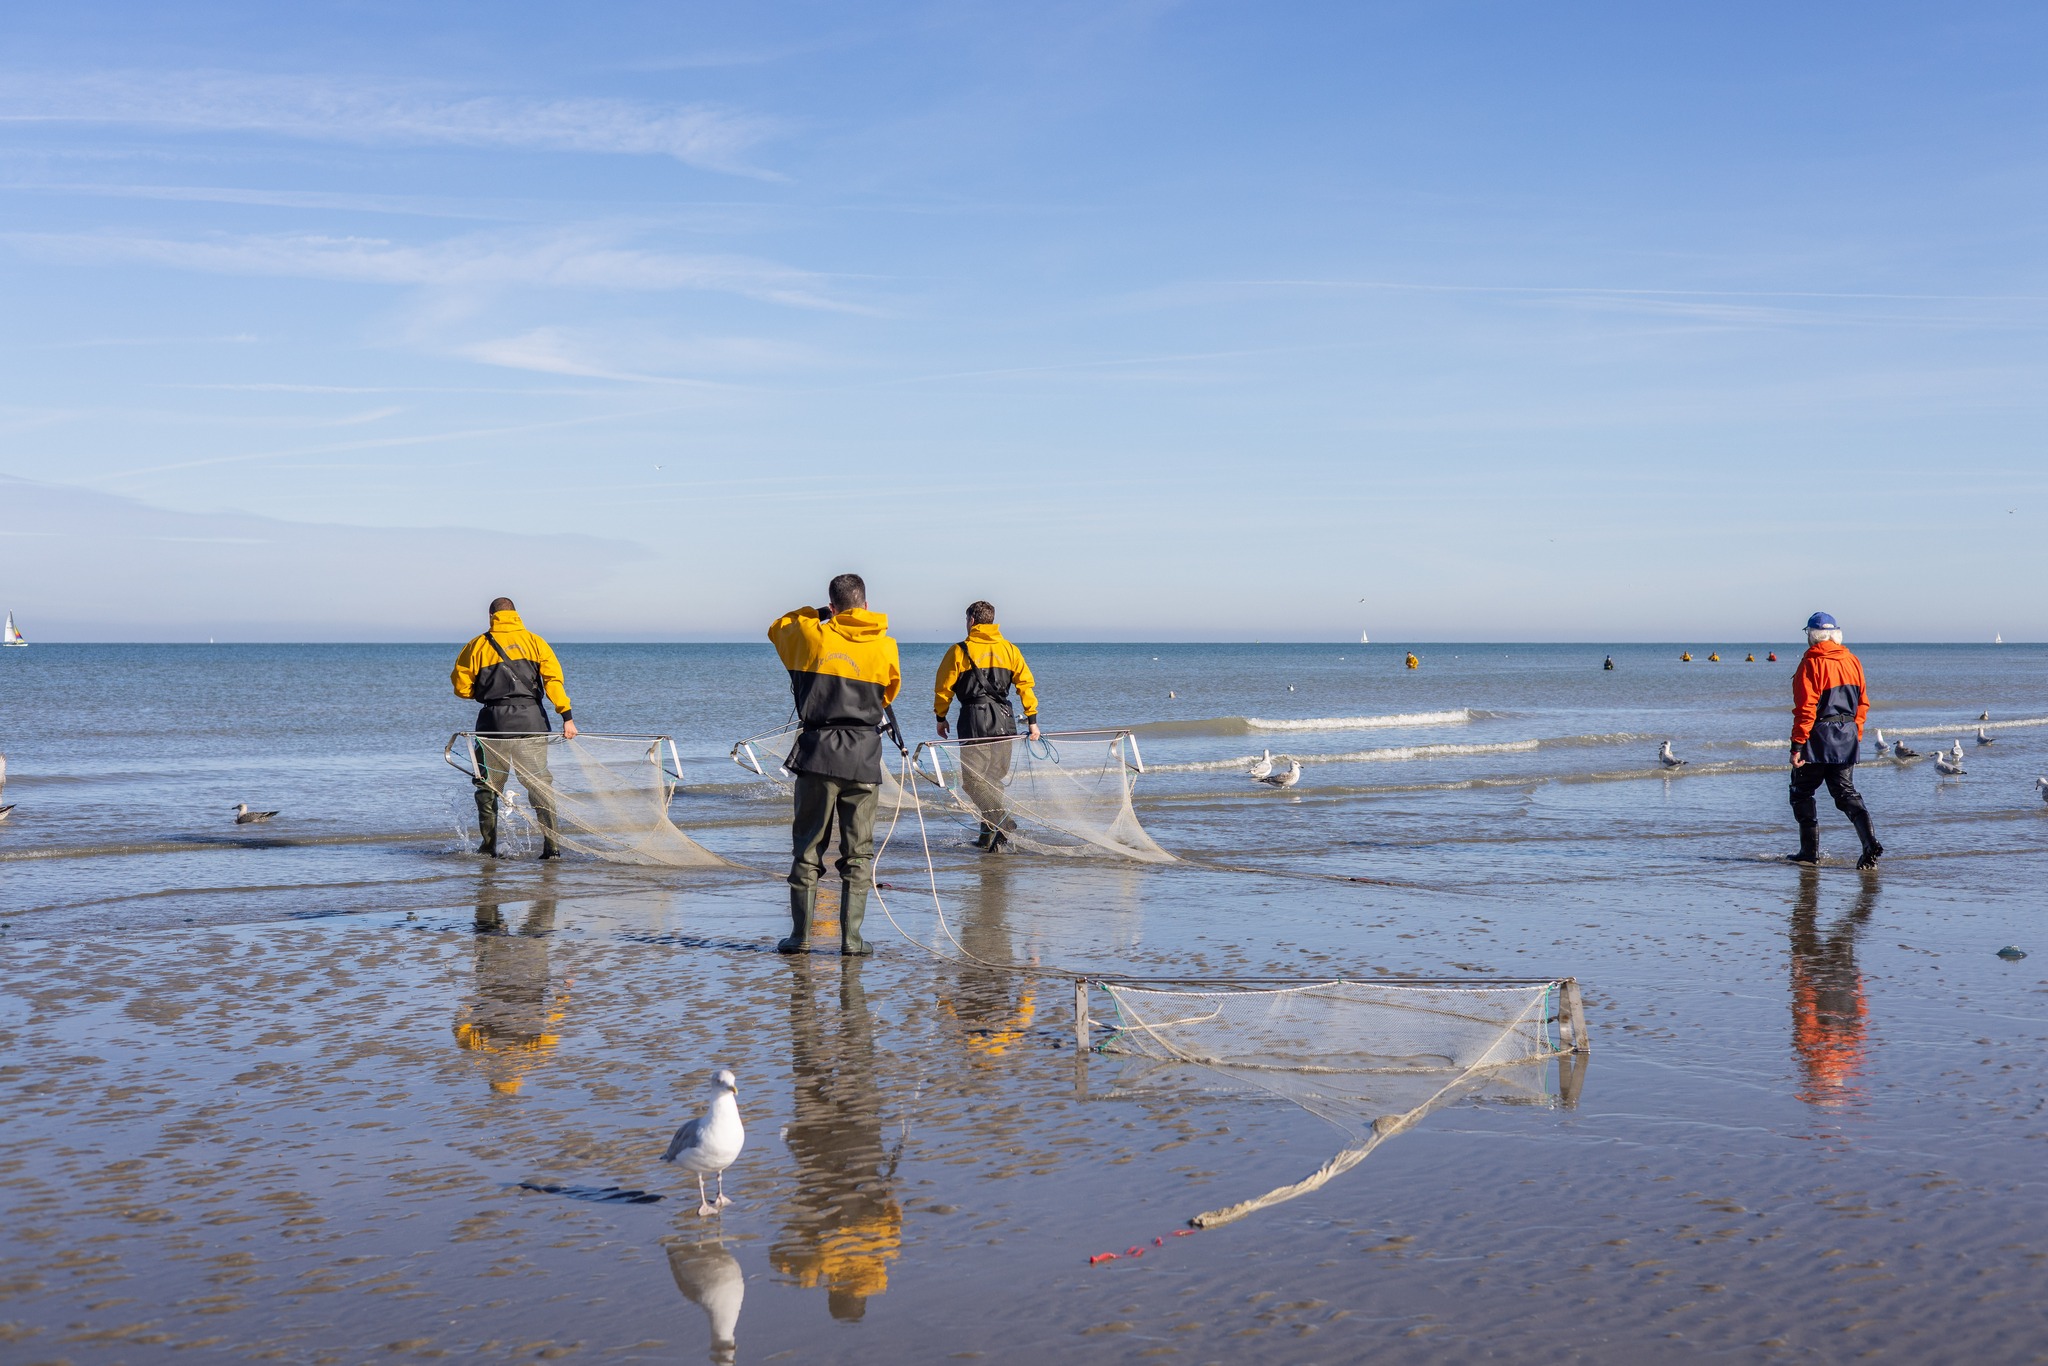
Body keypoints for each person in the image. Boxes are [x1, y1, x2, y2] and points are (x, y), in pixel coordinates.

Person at [768, 574, 903, 956]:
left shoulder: (810, 636)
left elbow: (778, 627)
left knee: (808, 849)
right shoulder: (885, 645)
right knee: (857, 853)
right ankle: (852, 940)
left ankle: (800, 938)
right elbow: (890, 692)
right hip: (863, 754)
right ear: (865, 604)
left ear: (832, 606)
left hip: (818, 752)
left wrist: (815, 613)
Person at [451, 597, 576, 859]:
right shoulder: (536, 642)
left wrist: (481, 692)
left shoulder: (476, 645)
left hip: (493, 725)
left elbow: (461, 688)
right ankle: (551, 849)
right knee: (539, 786)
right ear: (516, 615)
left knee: (488, 788)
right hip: (532, 723)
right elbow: (554, 682)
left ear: (491, 616)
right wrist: (567, 716)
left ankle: (488, 849)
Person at [932, 601, 1041, 851]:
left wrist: (941, 718)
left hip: (974, 719)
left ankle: (1001, 821)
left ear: (971, 620)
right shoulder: (1010, 649)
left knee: (972, 781)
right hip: (1005, 720)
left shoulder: (959, 650)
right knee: (993, 780)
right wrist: (1032, 721)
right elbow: (1026, 685)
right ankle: (989, 837)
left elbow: (943, 689)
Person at [1788, 611, 1882, 869]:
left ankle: (1808, 853)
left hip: (1819, 738)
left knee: (1800, 792)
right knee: (1845, 793)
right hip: (1847, 735)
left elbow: (1805, 708)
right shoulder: (1852, 660)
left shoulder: (1812, 661)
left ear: (1812, 635)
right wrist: (1856, 734)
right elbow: (1863, 704)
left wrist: (1797, 745)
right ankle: (1869, 843)